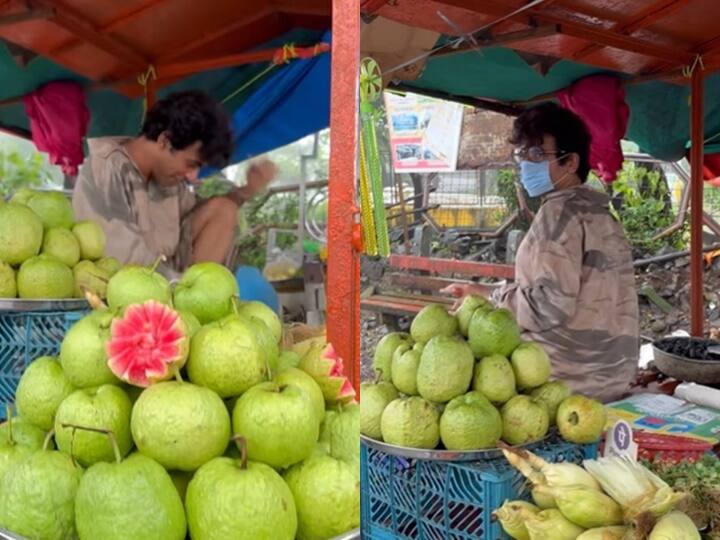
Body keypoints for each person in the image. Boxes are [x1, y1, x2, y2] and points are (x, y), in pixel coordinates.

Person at [443, 102, 639, 403]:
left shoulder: (558, 216)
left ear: (570, 162)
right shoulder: (602, 214)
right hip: (611, 377)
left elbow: (548, 306)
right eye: (521, 155)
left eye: (536, 155)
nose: (525, 165)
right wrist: (480, 291)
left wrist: (490, 298)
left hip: (565, 384)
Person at [72, 90, 277, 278]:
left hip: (171, 285)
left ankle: (203, 296)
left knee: (224, 209)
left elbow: (203, 215)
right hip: (122, 286)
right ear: (164, 140)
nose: (192, 176)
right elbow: (120, 259)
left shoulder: (168, 181)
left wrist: (246, 191)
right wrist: (178, 289)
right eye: (191, 163)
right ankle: (194, 299)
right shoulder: (106, 169)